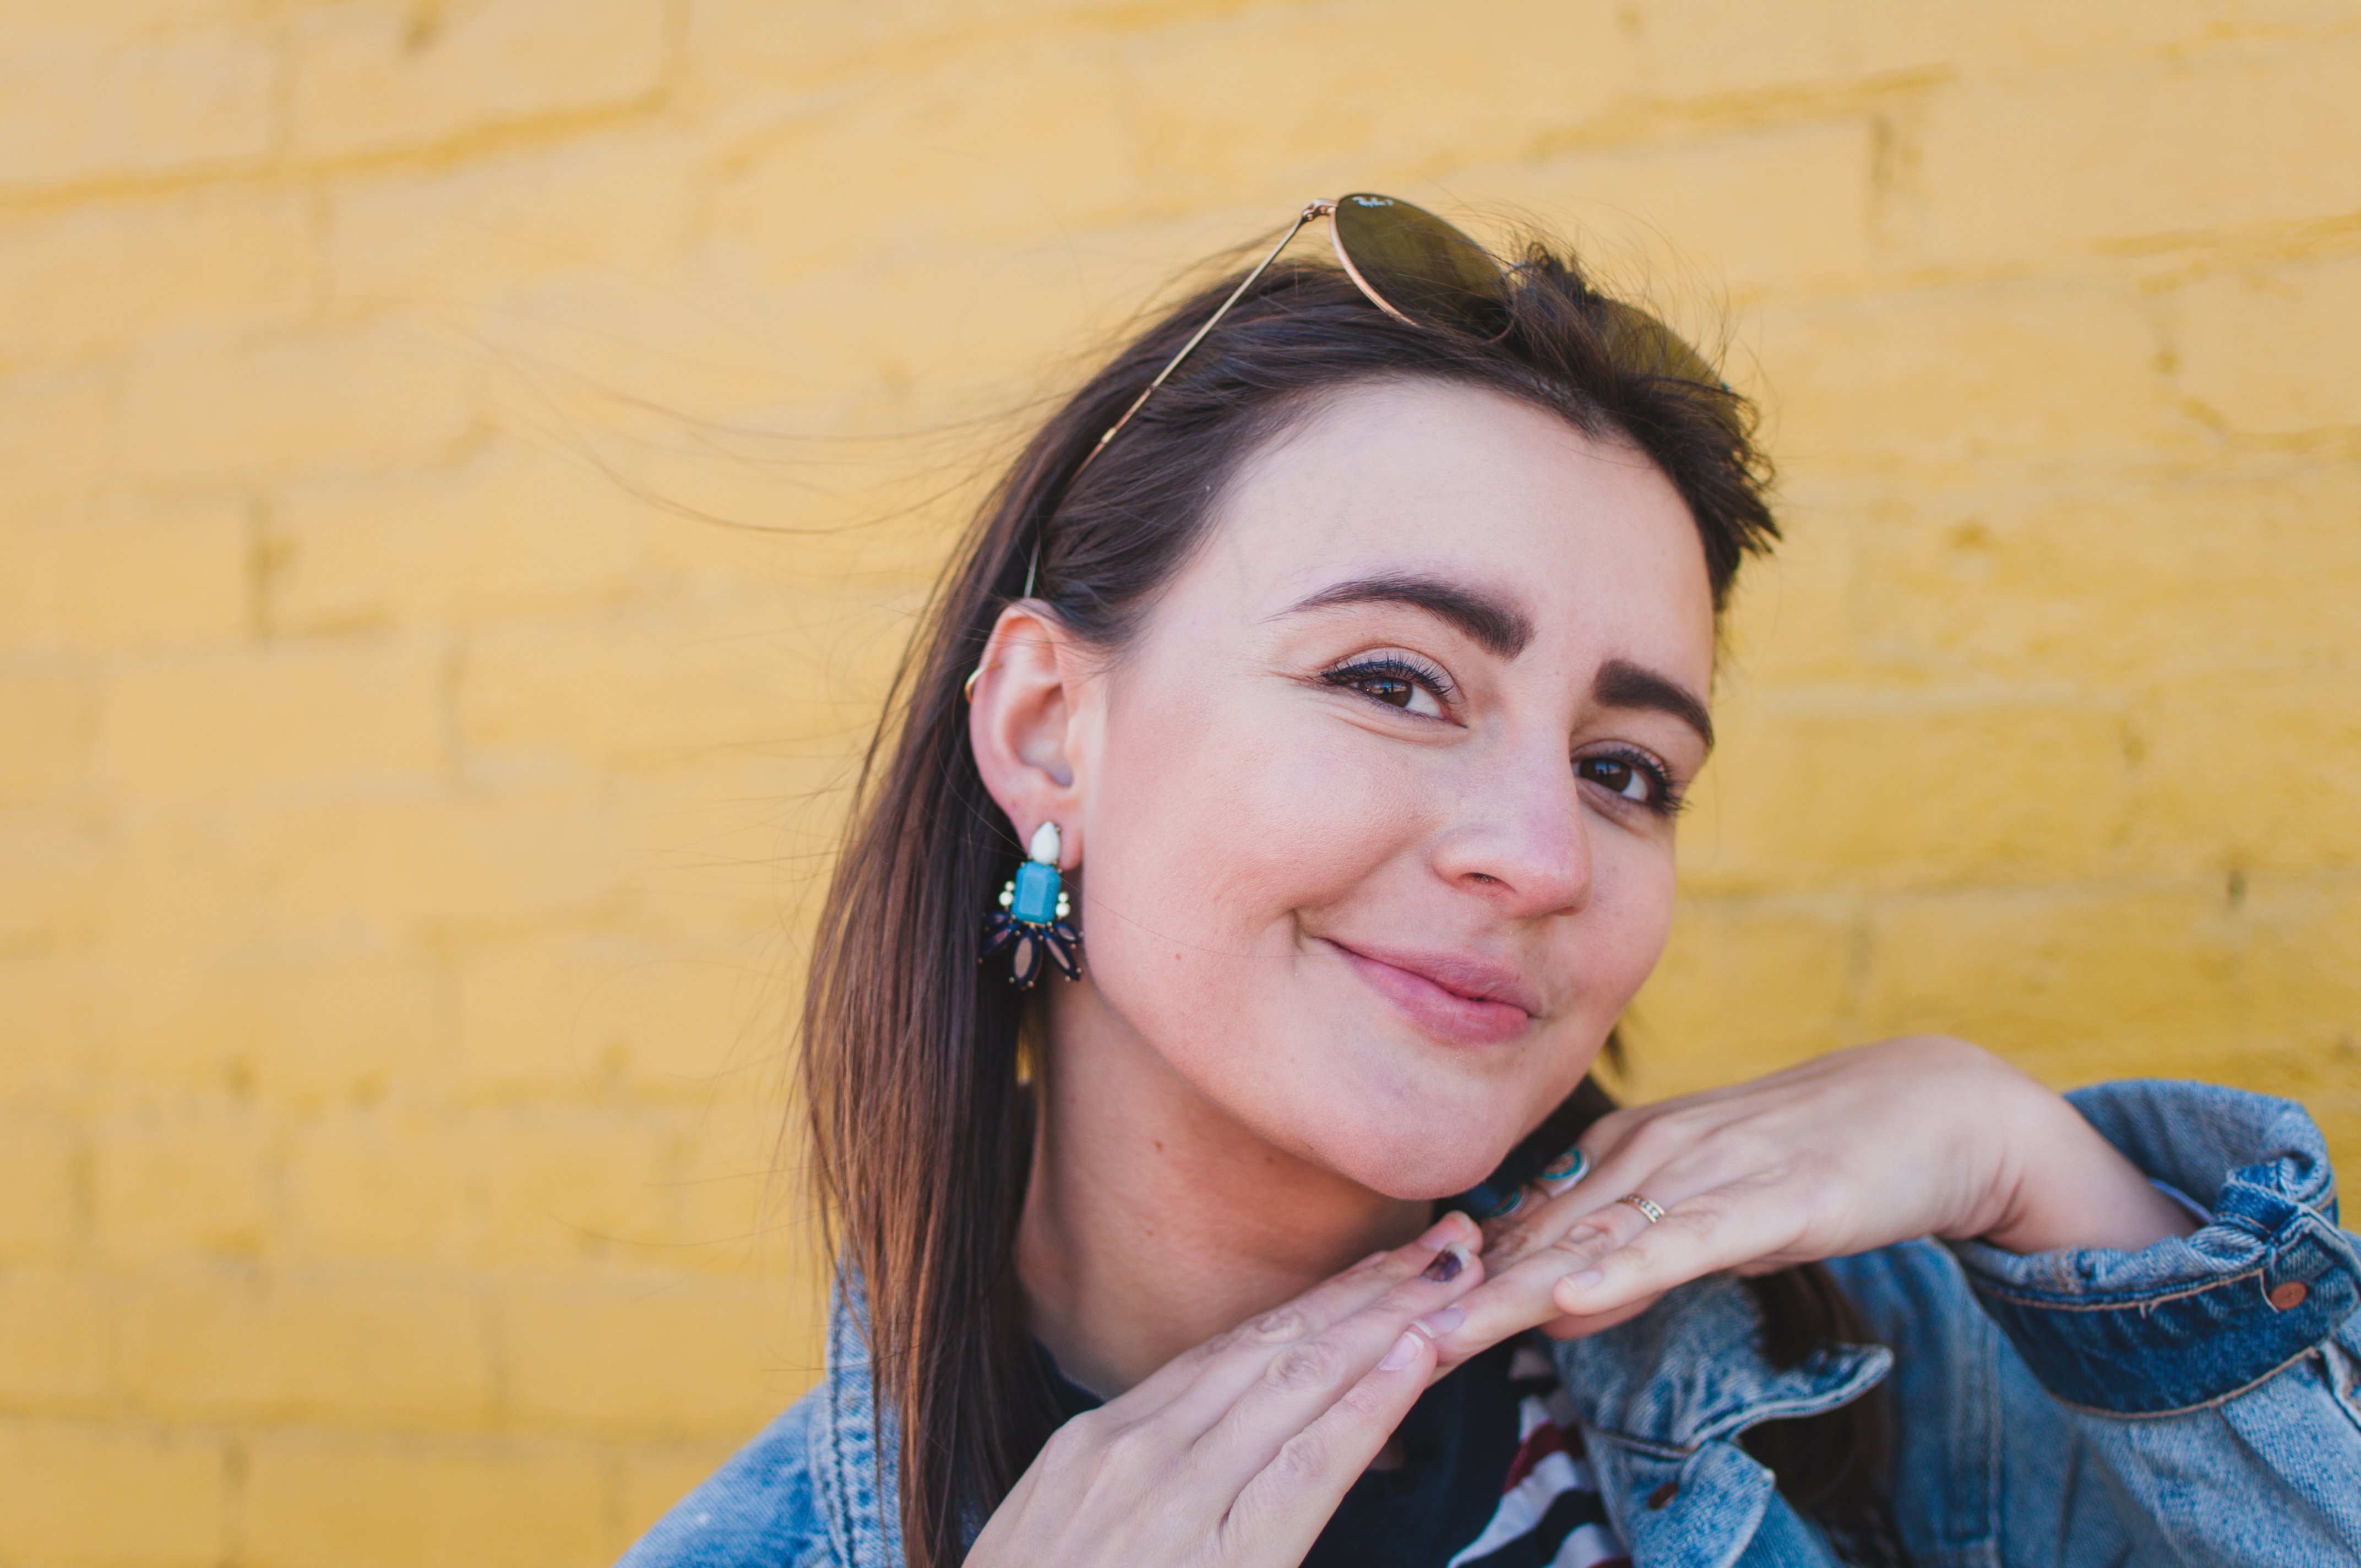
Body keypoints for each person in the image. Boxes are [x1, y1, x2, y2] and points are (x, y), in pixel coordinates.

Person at [618, 197, 2361, 1568]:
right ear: (1048, 729)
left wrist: (2035, 1170)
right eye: (1394, 681)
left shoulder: (1888, 1376)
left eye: (1626, 771)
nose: (1541, 855)